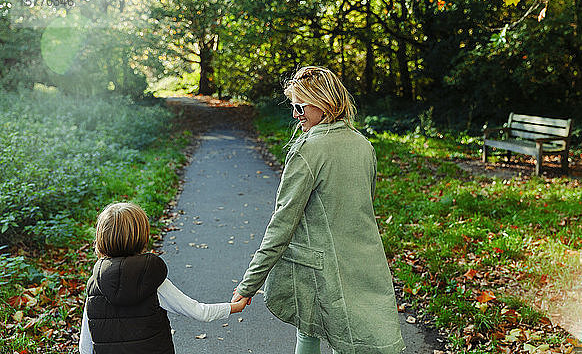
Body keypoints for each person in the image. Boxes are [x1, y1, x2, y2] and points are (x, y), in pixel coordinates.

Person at [231, 66, 405, 354]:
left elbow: (282, 224)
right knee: (346, 338)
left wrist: (248, 285)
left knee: (312, 330)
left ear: (323, 102)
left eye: (300, 107)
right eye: (293, 107)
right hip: (365, 262)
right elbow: (364, 204)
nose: (295, 115)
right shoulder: (364, 146)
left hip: (321, 266)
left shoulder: (308, 150)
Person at [78, 202, 249, 354]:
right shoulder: (151, 280)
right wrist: (234, 307)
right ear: (142, 236)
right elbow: (199, 312)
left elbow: (85, 347)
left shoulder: (95, 284)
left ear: (100, 238)